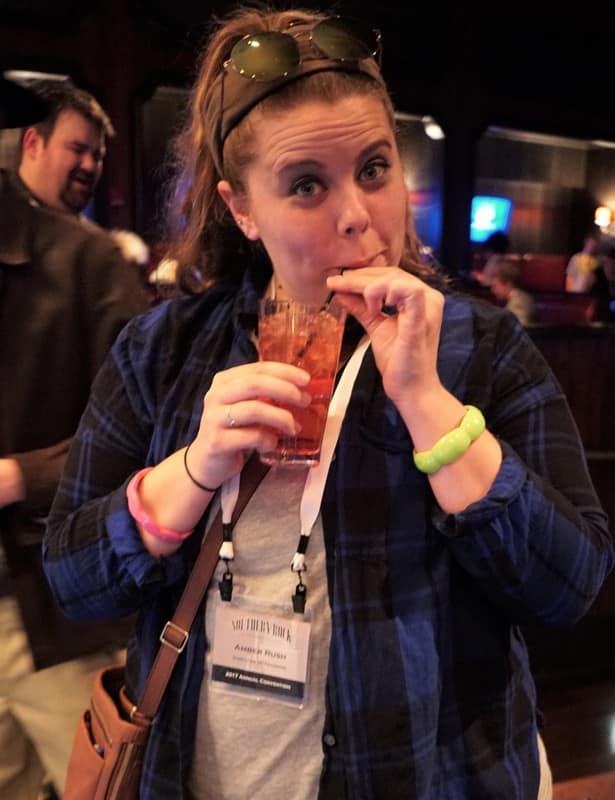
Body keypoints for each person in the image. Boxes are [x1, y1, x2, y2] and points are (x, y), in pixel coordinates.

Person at [43, 7, 612, 799]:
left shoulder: (480, 348)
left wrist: (429, 407)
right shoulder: (161, 351)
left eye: (374, 168)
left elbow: (568, 586)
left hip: (437, 775)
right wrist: (194, 469)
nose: (357, 216)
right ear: (242, 208)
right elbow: (74, 581)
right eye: (306, 184)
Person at [0, 80, 149, 799]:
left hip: (47, 606)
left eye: (96, 152)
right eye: (77, 148)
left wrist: (17, 476)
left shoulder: (92, 262)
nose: (89, 165)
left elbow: (148, 431)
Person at [490, 256, 537, 325]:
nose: (492, 290)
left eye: (495, 286)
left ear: (507, 284)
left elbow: (518, 329)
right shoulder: (524, 297)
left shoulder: (517, 305)